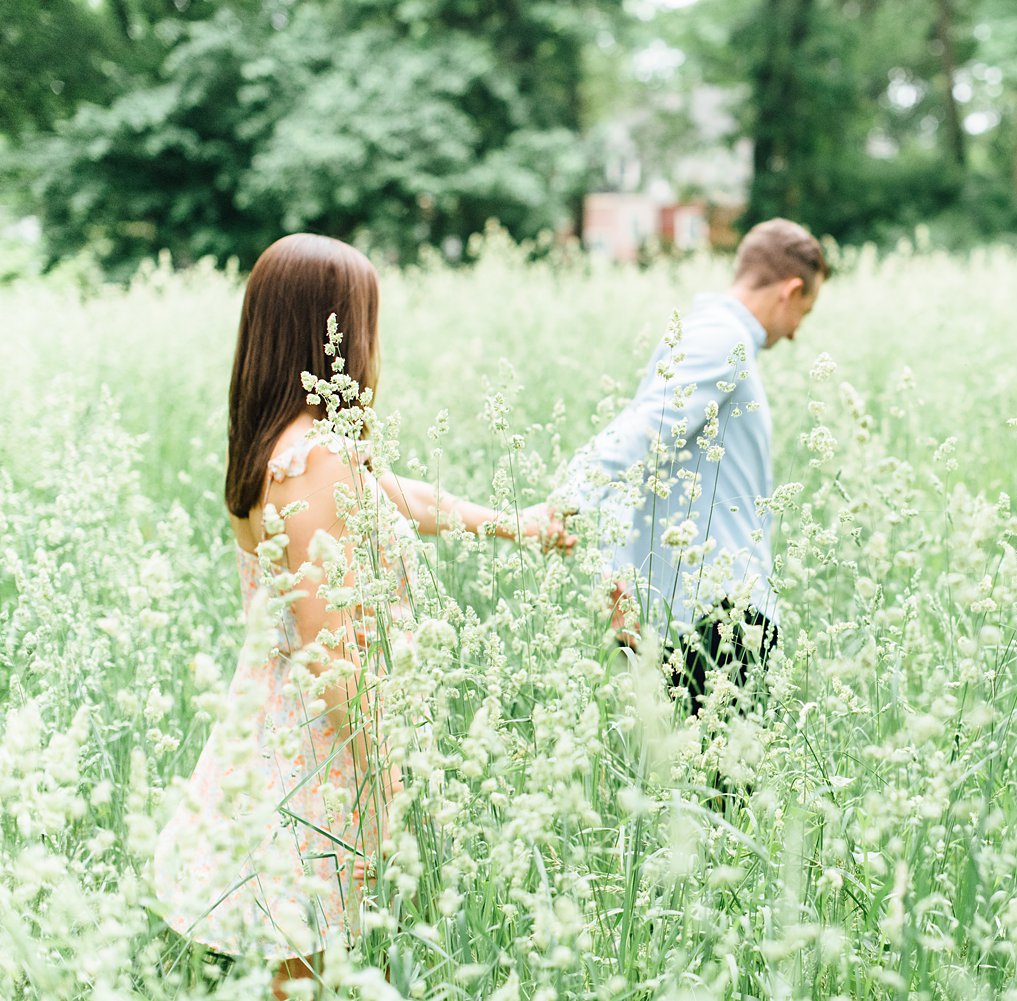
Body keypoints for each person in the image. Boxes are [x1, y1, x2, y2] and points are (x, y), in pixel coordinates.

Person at [151, 233, 571, 998]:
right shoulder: (314, 463)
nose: (376, 342)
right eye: (366, 320)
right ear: (329, 330)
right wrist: (393, 789)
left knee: (304, 974)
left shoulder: (295, 448)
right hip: (315, 763)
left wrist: (520, 522)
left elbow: (399, 495)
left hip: (284, 741)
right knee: (303, 976)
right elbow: (333, 660)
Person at [555, 218, 827, 717]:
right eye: (803, 315)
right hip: (719, 616)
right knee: (726, 793)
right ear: (790, 291)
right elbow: (646, 428)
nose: (793, 335)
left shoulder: (702, 334)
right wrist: (566, 500)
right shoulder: (722, 338)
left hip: (692, 610)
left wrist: (619, 570)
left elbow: (648, 452)